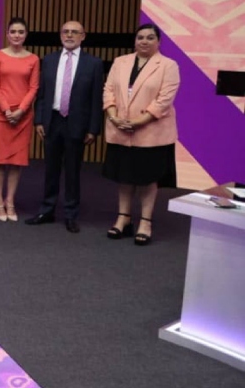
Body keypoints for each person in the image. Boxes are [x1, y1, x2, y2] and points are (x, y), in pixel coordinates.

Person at [102, 24, 179, 246]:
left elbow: (164, 100)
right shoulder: (120, 62)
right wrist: (113, 116)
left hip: (151, 132)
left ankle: (145, 222)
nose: (144, 41)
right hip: (120, 128)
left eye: (150, 37)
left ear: (159, 41)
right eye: (140, 37)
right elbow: (108, 90)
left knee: (147, 178)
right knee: (124, 176)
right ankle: (123, 218)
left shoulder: (168, 65)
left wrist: (137, 122)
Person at [26, 21, 104, 234]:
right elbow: (42, 94)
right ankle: (47, 210)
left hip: (76, 123)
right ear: (60, 35)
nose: (69, 35)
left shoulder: (94, 63)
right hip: (52, 121)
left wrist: (93, 129)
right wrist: (39, 120)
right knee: (50, 169)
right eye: (66, 32)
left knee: (73, 171)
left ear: (83, 36)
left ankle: (71, 214)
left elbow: (96, 99)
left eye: (74, 32)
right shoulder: (49, 60)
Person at [0, 18, 40, 222]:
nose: (17, 35)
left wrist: (21, 110)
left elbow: (34, 87)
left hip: (23, 116)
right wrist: (7, 110)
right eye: (13, 31)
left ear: (26, 35)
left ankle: (10, 201)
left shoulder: (33, 59)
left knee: (17, 162)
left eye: (21, 32)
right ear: (7, 34)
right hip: (2, 114)